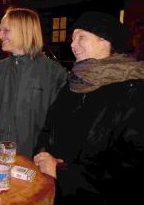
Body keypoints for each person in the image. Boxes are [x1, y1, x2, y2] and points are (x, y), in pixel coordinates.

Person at [34, 11, 144, 204]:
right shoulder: (73, 85)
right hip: (58, 193)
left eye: (81, 37)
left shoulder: (132, 92)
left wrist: (64, 173)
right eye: (73, 38)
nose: (72, 44)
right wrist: (43, 154)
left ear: (105, 41)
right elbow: (48, 128)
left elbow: (130, 165)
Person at [0, 7, 67, 158]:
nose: (0, 36)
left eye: (6, 30)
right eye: (0, 30)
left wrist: (45, 152)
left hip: (33, 162)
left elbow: (60, 121)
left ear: (24, 31)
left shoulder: (54, 74)